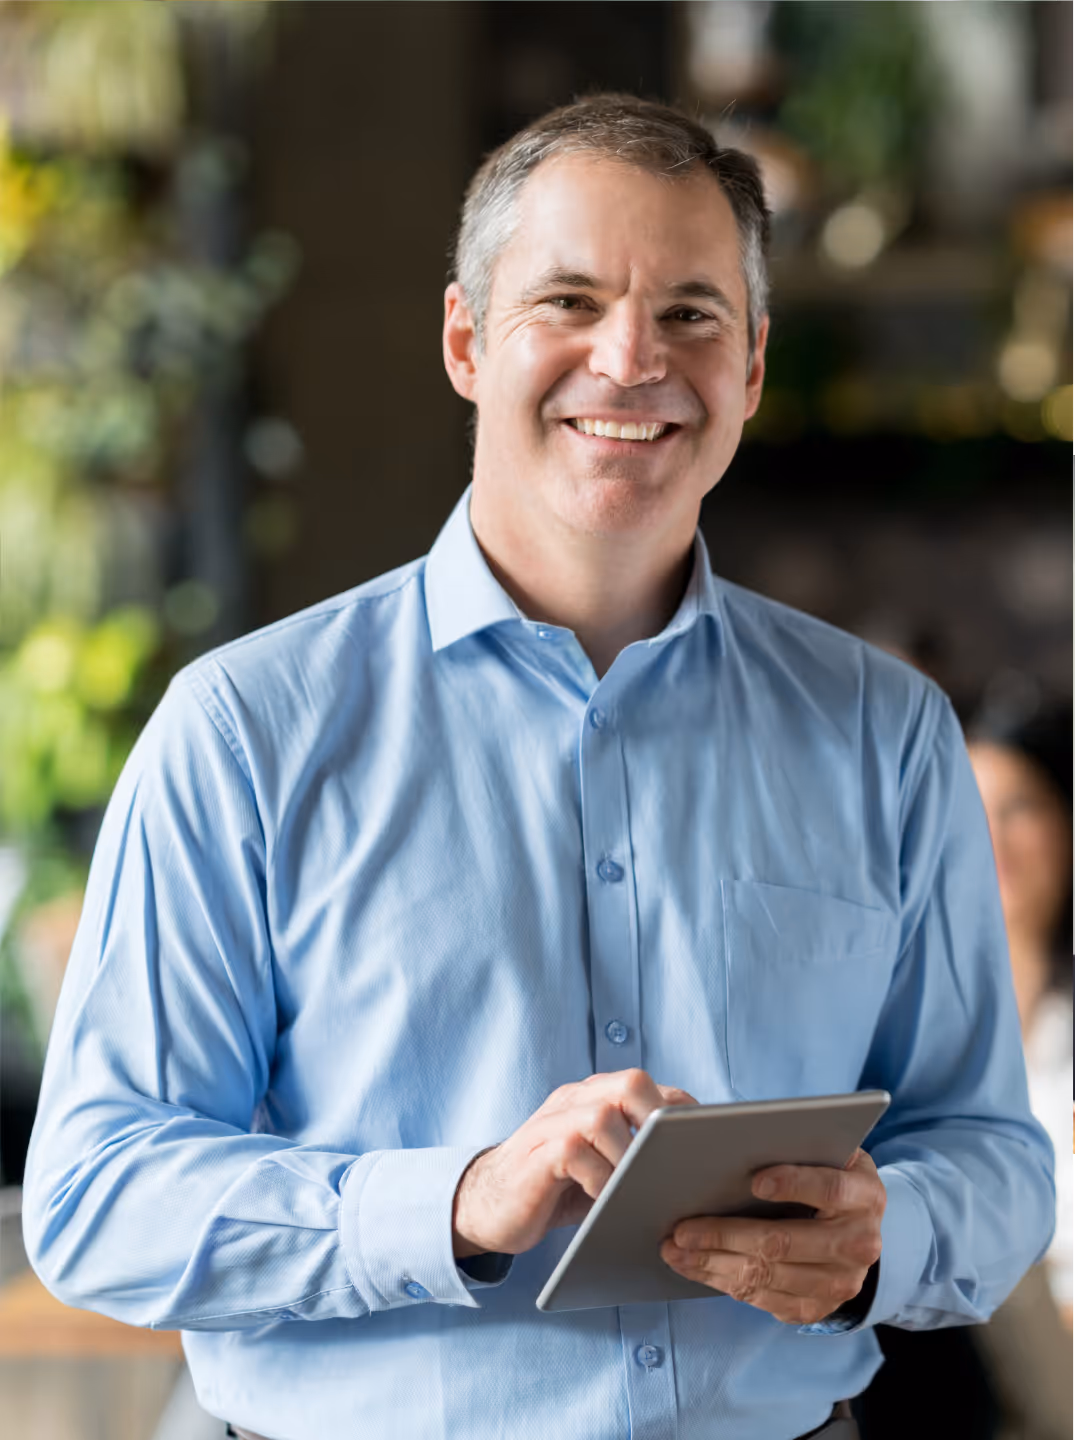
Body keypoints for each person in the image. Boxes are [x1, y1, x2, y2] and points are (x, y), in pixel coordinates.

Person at [22, 95, 1054, 1440]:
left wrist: (890, 1229)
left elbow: (991, 1158)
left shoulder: (886, 734)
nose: (629, 359)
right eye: (567, 299)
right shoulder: (244, 732)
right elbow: (99, 1201)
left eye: (690, 312)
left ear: (749, 367)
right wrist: (450, 1202)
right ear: (465, 339)